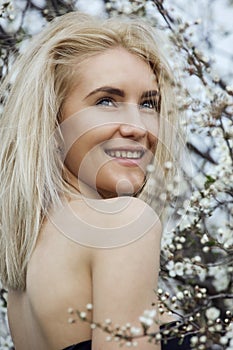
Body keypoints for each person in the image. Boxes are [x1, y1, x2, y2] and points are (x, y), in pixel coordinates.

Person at [0, 11, 190, 350]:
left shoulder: (26, 271)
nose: (139, 127)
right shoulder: (120, 223)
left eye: (149, 104)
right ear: (52, 121)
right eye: (106, 101)